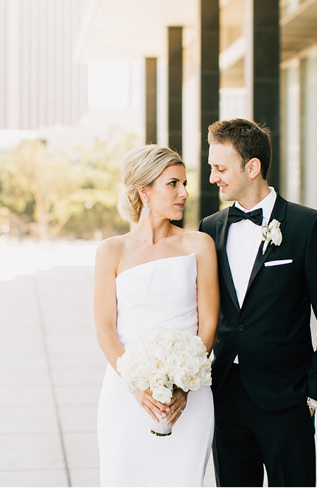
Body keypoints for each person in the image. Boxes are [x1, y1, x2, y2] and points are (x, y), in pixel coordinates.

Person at [198, 118, 317, 487]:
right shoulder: (209, 229)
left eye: (220, 168)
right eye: (211, 168)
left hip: (288, 398)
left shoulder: (306, 225)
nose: (212, 178)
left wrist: (316, 391)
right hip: (225, 394)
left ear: (252, 167)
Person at [94, 144, 220, 487]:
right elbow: (105, 328)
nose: (184, 193)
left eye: (184, 183)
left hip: (188, 398)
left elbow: (209, 322)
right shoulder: (111, 251)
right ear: (144, 191)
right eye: (173, 184)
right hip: (125, 394)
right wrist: (136, 387)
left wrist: (183, 385)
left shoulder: (199, 245)